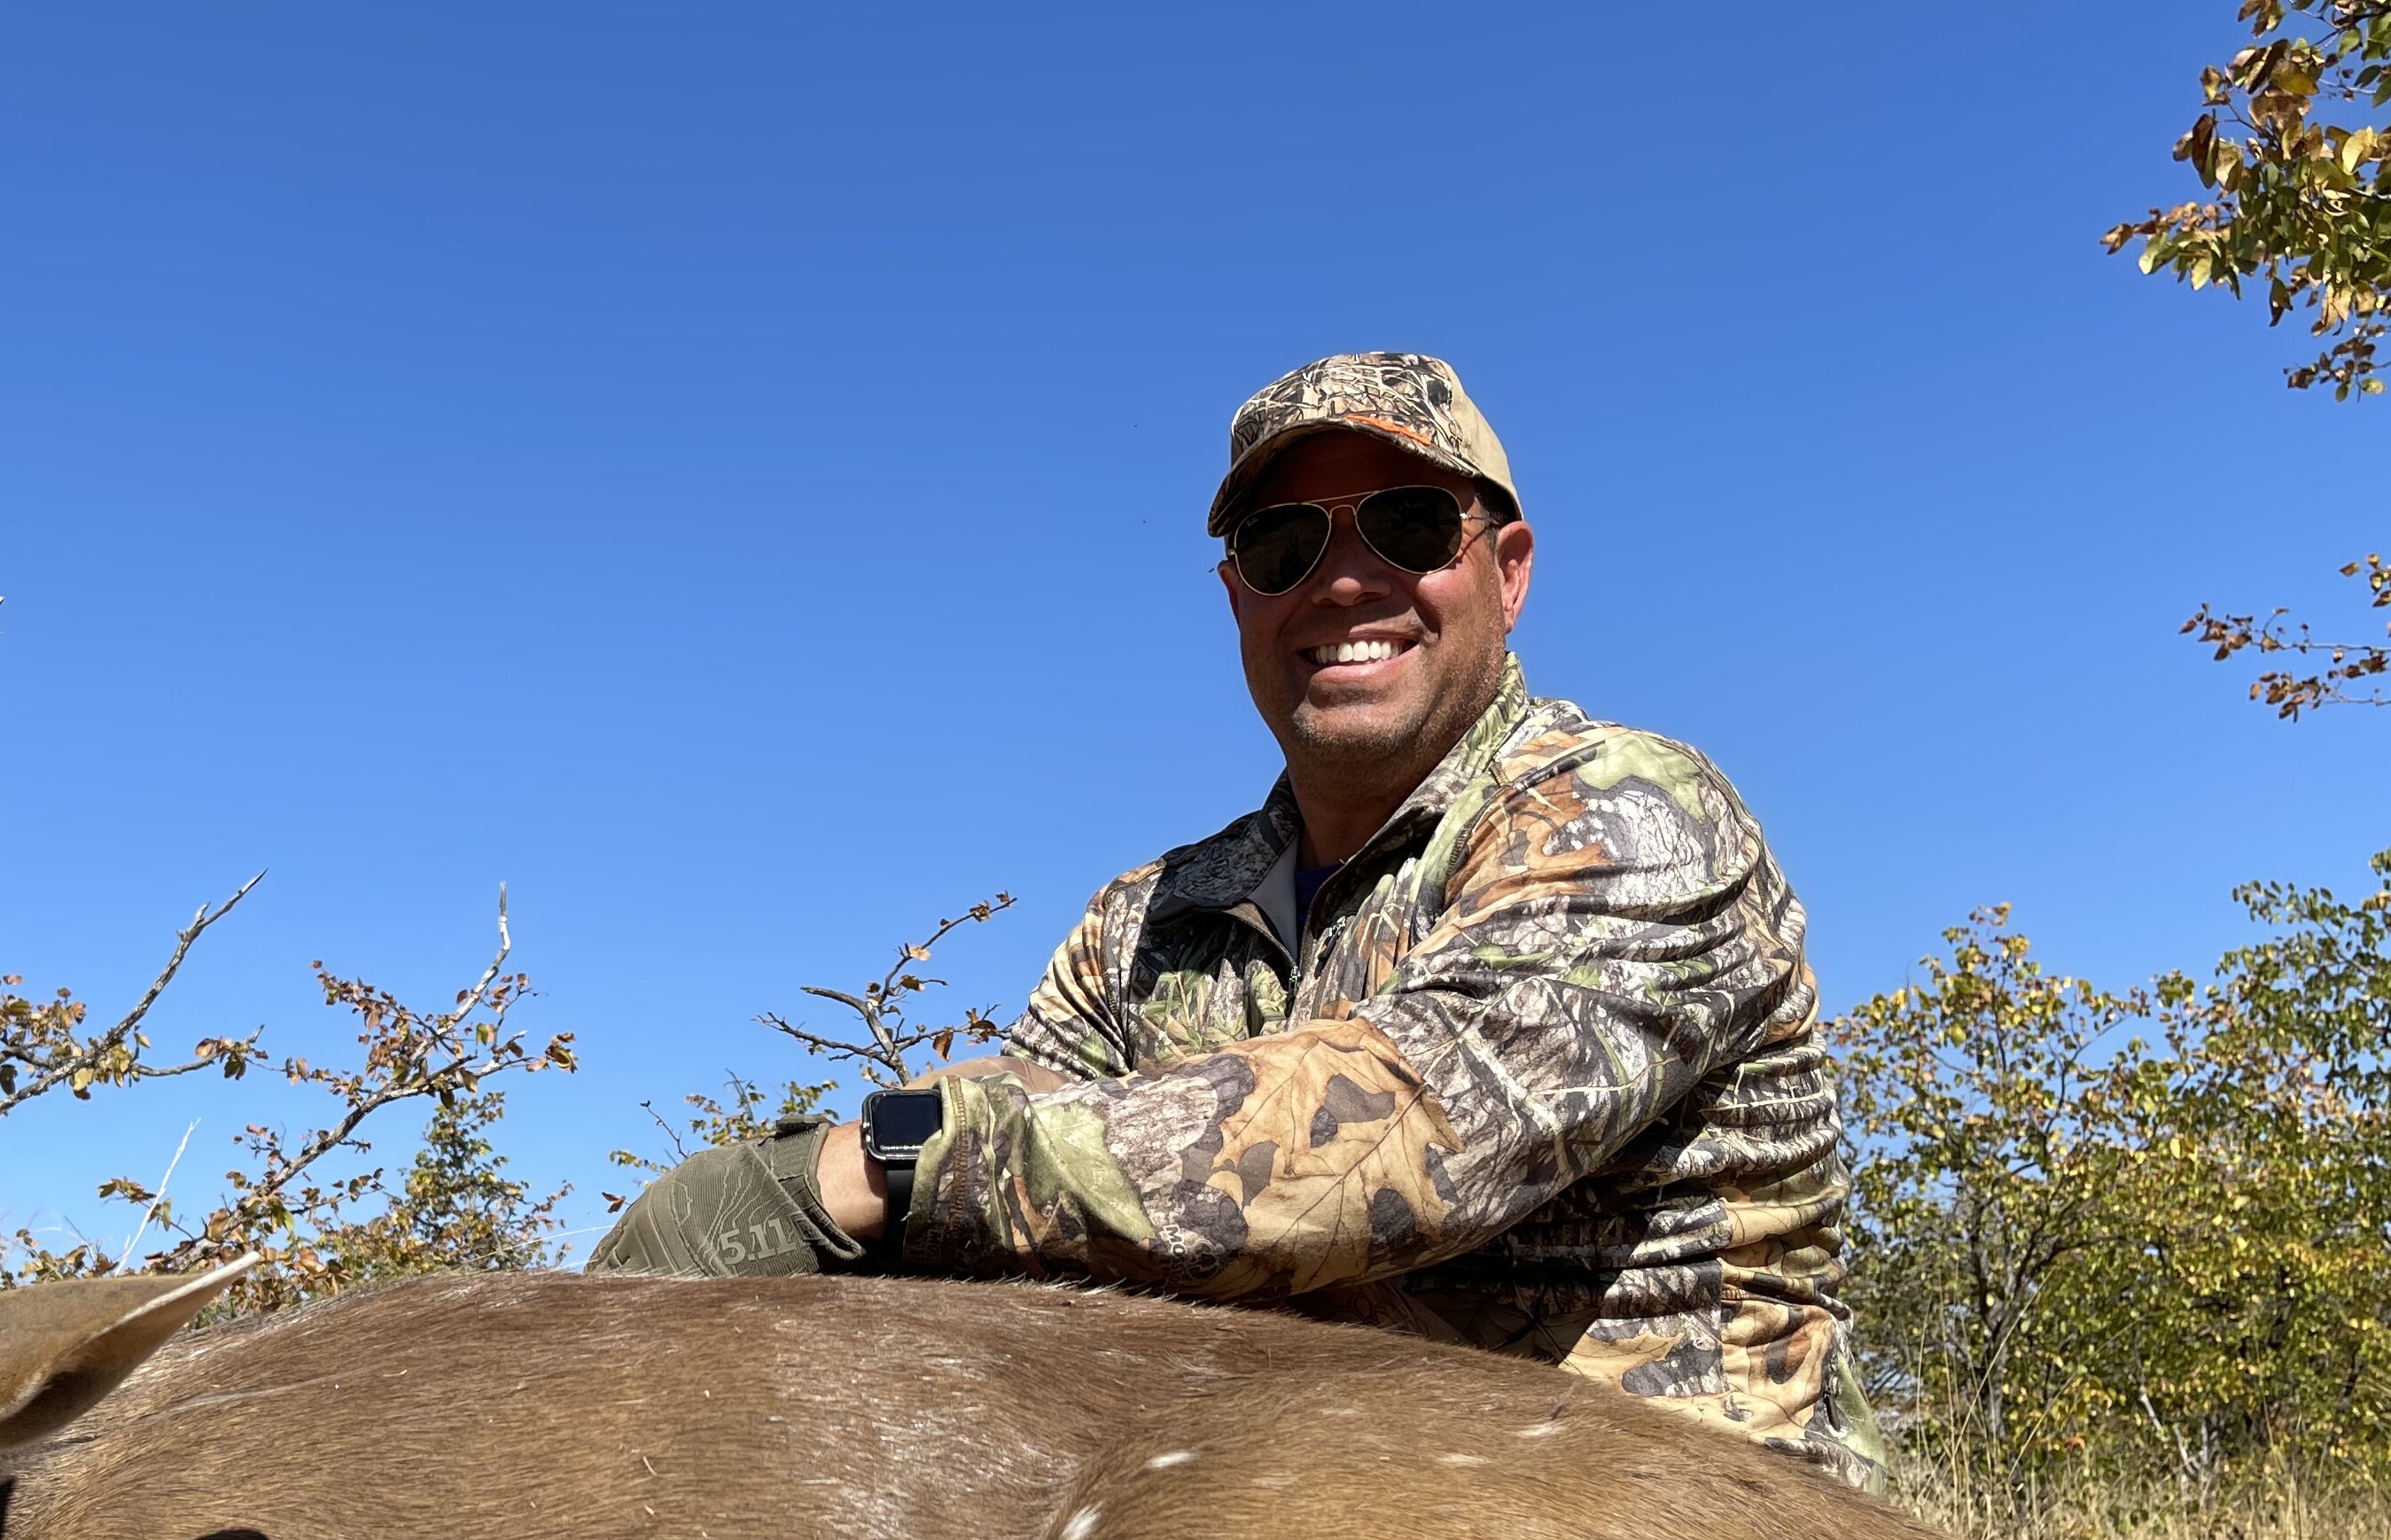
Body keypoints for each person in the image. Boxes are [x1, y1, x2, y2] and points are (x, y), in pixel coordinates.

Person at [592, 351, 1881, 1483]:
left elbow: (1401, 1134)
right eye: (1284, 546)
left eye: (1410, 524)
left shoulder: (1630, 811)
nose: (1341, 583)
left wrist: (868, 1165)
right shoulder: (1152, 916)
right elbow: (1039, 1159)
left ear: (1509, 569)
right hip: (1291, 1519)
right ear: (1236, 598)